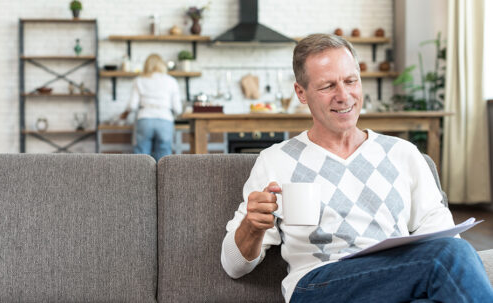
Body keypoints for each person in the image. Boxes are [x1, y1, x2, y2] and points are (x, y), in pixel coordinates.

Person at [221, 34, 493, 302]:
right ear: (301, 93)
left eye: (351, 81)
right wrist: (252, 227)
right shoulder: (275, 160)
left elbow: (441, 236)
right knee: (450, 255)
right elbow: (233, 266)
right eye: (328, 86)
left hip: (396, 279)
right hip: (319, 285)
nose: (344, 96)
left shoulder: (403, 153)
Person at [121, 54, 182, 161]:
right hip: (165, 119)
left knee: (142, 157)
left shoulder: (139, 80)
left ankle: (141, 178)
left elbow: (132, 105)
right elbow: (178, 109)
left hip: (145, 119)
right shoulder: (171, 81)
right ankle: (164, 178)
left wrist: (124, 114)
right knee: (165, 157)